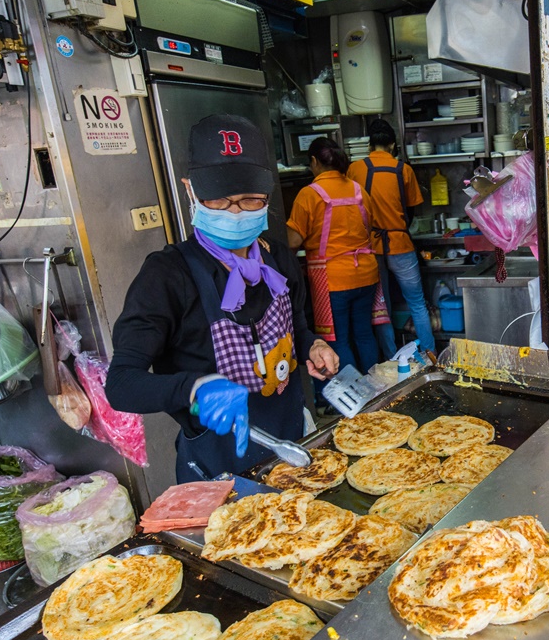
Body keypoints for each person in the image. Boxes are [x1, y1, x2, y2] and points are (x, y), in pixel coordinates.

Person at [106, 115, 338, 483]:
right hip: (218, 465)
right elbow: (121, 384)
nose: (236, 213)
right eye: (220, 201)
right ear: (190, 191)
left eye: (250, 201)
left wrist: (312, 346)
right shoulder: (167, 275)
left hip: (292, 441)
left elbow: (296, 327)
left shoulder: (277, 258)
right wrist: (194, 387)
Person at [287, 137, 382, 377]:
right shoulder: (358, 189)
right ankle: (377, 391)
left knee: (337, 340)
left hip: (332, 279)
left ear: (314, 161)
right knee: (363, 333)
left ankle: (353, 398)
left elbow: (293, 241)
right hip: (366, 273)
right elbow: (370, 226)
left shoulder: (309, 194)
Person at [346, 119, 435, 359]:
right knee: (417, 303)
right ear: (393, 145)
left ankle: (392, 359)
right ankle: (429, 357)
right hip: (400, 245)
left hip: (369, 249)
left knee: (380, 308)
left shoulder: (355, 169)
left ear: (369, 145)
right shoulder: (403, 169)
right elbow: (412, 209)